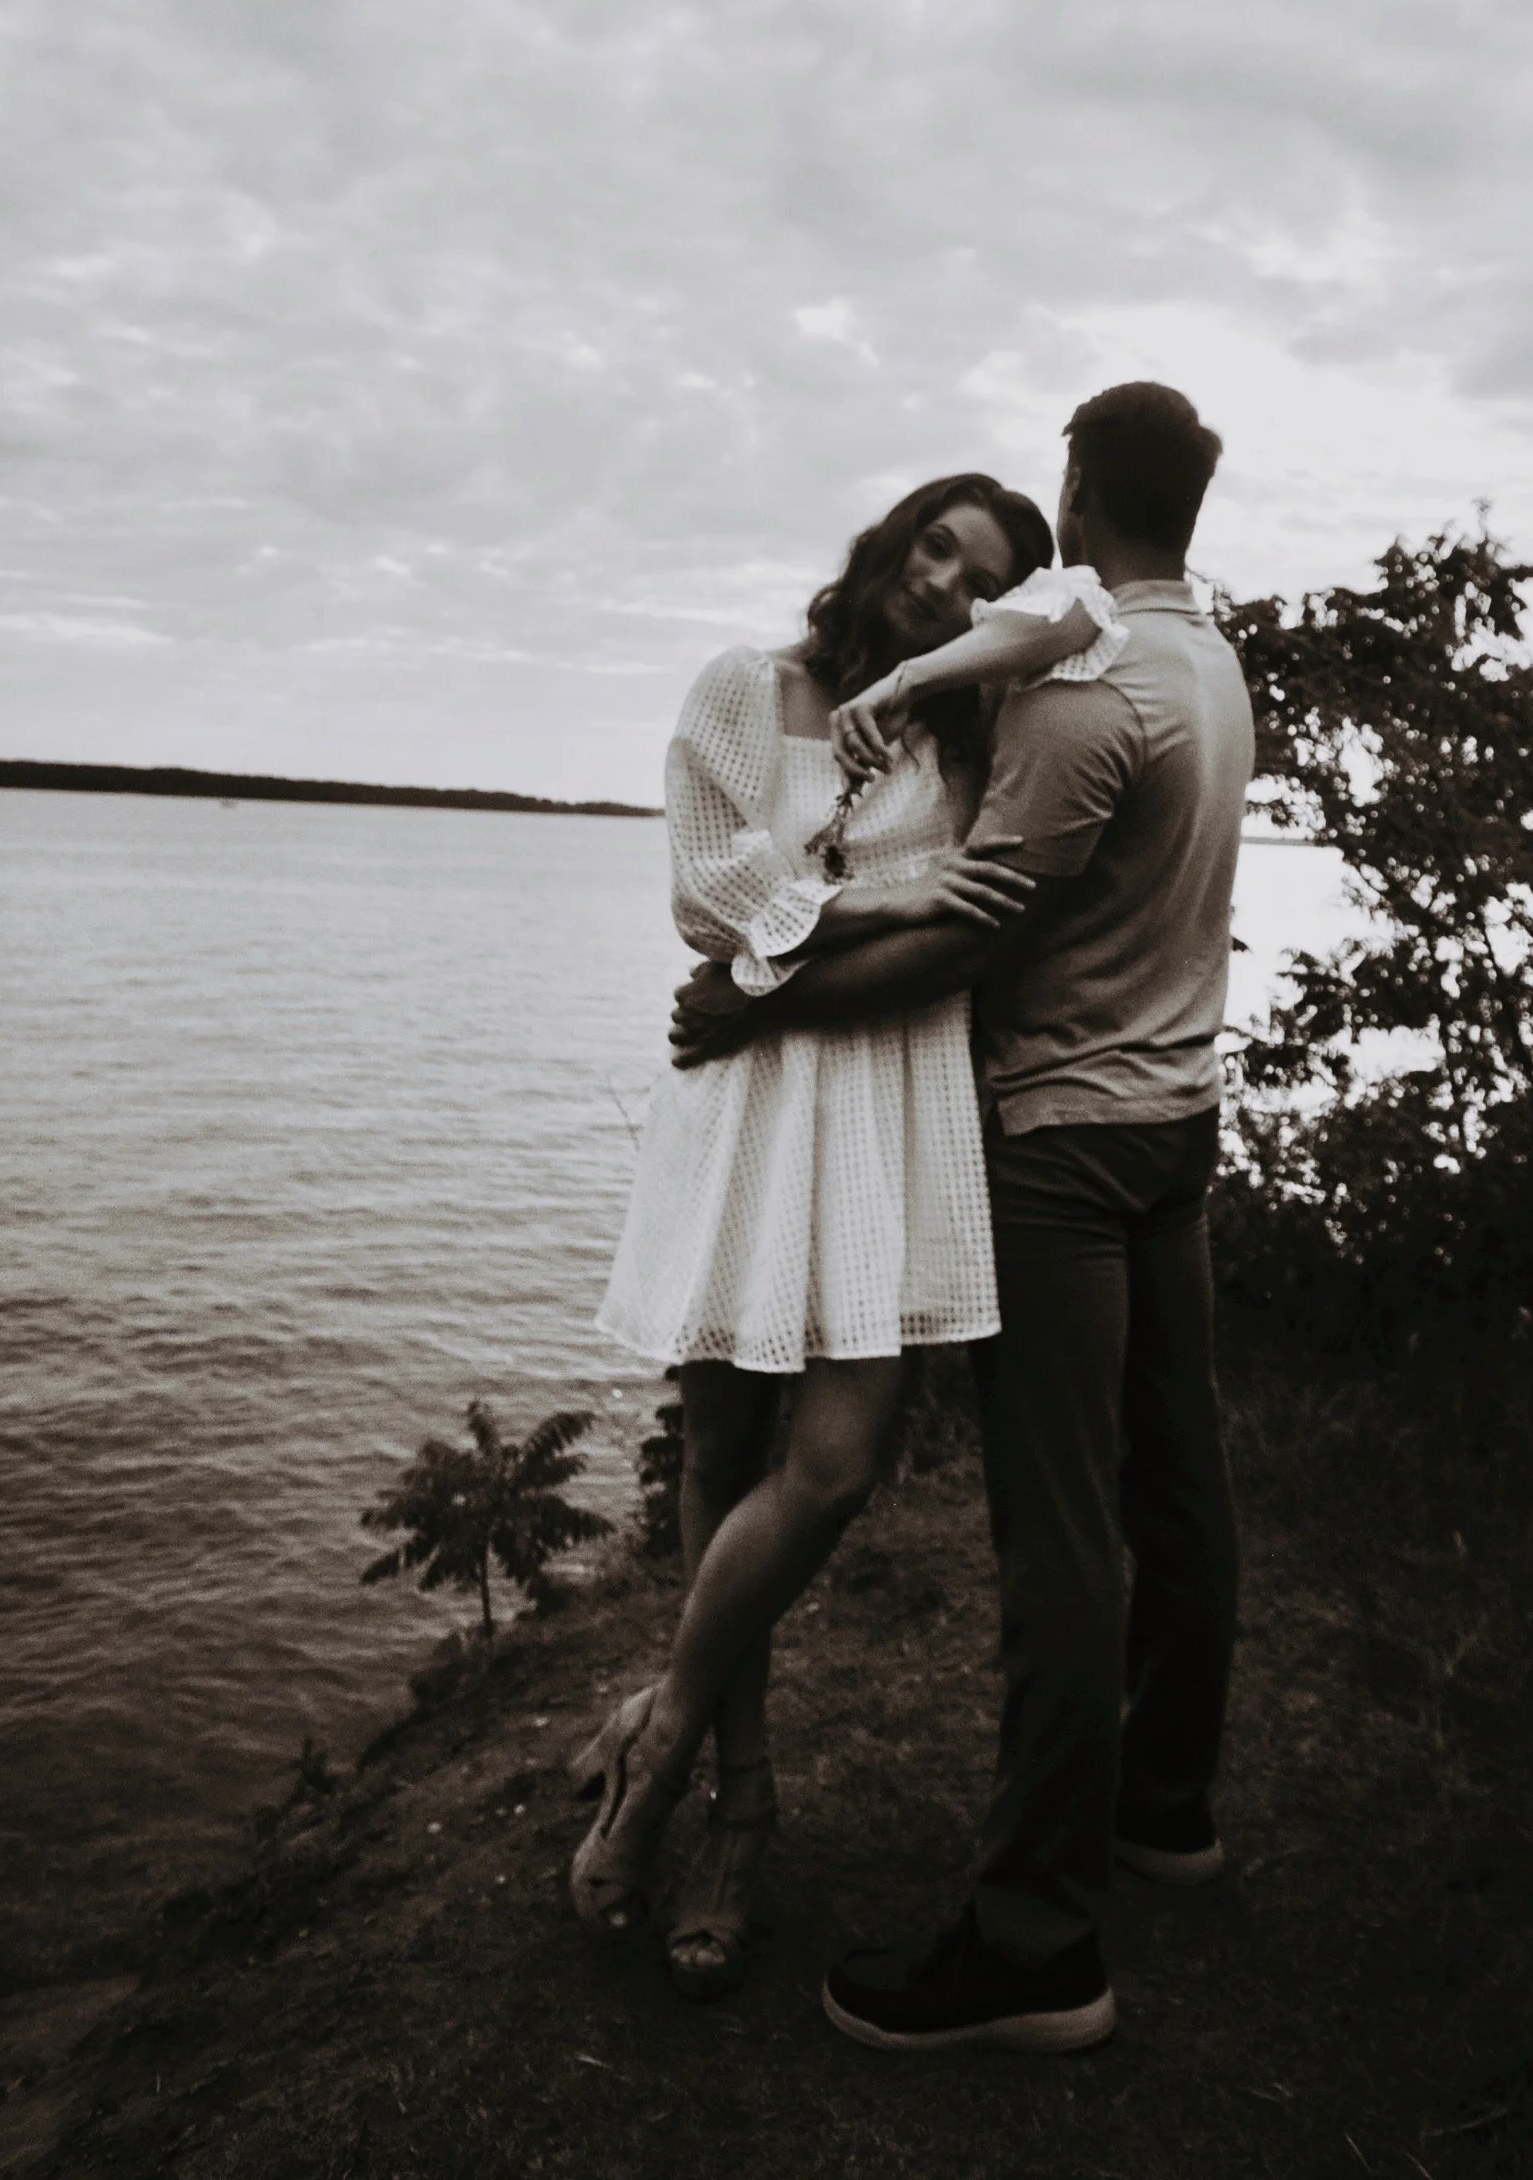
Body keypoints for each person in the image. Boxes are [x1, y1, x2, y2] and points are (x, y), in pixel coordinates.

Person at [670, 381, 1254, 2054]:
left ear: (1077, 490)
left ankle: (1037, 1945)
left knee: (1061, 1536)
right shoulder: (1206, 664)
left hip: (1065, 1134)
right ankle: (1167, 1809)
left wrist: (756, 1005)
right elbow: (1060, 606)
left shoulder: (1088, 694)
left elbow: (973, 935)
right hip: (1176, 1116)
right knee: (1178, 1479)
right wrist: (932, 673)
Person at [574, 469, 1079, 1996]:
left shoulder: (975, 730)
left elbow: (972, 923)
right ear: (887, 541)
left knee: (837, 1468)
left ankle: (651, 1750)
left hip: (892, 1114)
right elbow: (703, 897)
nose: (941, 582)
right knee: (723, 1459)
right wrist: (877, 901)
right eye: (933, 545)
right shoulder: (746, 689)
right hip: (750, 1104)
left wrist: (834, 909)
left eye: (977, 578)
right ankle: (740, 1810)